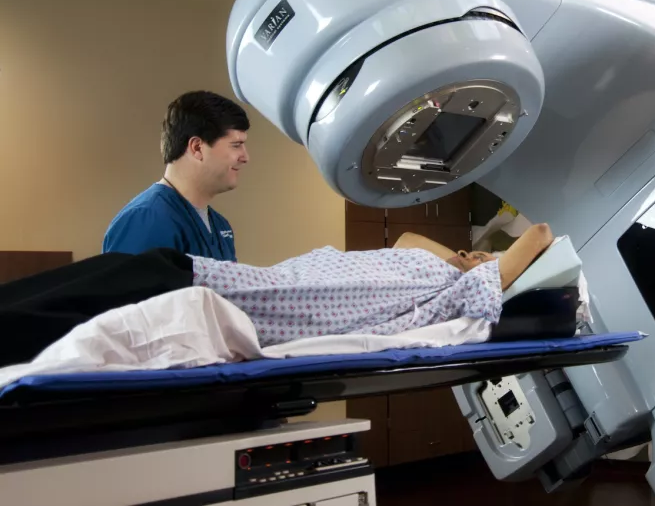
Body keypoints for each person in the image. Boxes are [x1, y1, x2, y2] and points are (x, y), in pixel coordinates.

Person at [0, 223, 558, 365]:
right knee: (75, 289)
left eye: (486, 258)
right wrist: (462, 253)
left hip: (216, 294)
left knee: (54, 314)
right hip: (204, 277)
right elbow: (411, 236)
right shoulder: (428, 259)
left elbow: (538, 237)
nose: (477, 257)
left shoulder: (459, 293)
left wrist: (479, 262)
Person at [103, 91, 249, 261]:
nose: (245, 157)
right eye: (236, 145)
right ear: (197, 148)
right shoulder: (146, 221)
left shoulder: (220, 226)